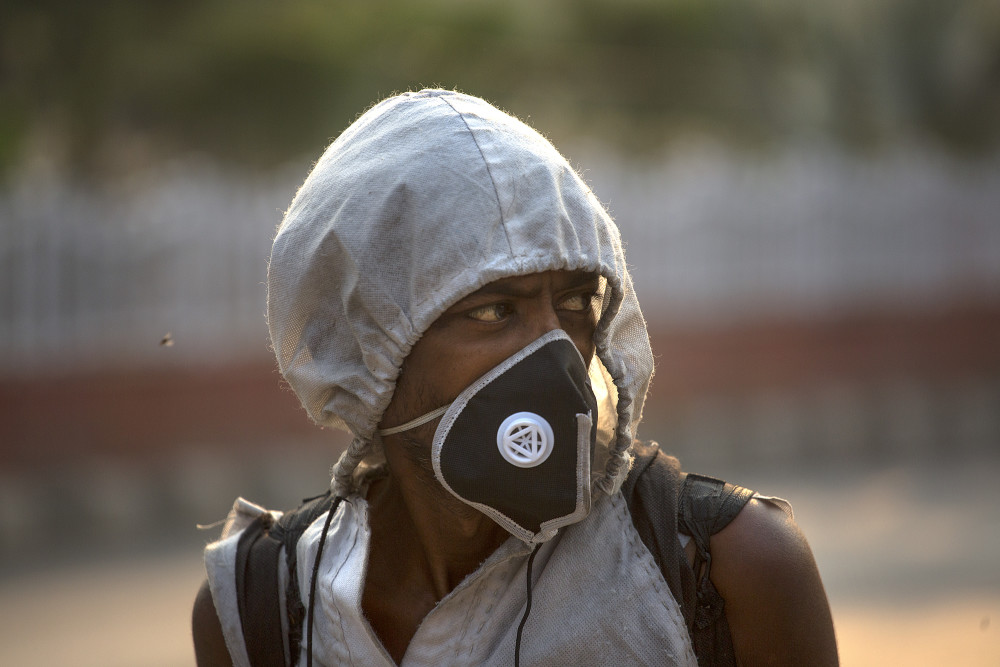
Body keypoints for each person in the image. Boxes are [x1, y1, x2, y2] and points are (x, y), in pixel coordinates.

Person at [192, 89, 838, 666]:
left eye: (576, 303)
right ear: (366, 344)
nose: (553, 351)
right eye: (493, 310)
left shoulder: (724, 567)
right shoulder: (263, 607)